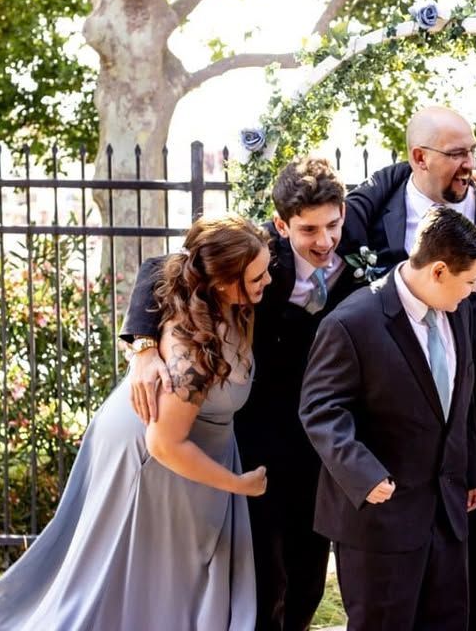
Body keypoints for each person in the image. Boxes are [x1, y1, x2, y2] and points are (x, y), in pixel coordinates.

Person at [0, 213, 270, 630]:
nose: (268, 281)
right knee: (131, 585)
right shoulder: (192, 350)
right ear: (224, 281)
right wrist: (238, 484)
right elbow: (164, 444)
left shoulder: (223, 294)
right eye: (258, 276)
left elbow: (163, 263)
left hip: (189, 450)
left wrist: (144, 343)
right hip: (155, 458)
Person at [121, 157, 356, 631]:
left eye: (333, 225)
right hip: (254, 441)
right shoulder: (256, 258)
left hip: (321, 447)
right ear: (281, 225)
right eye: (308, 229)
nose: (324, 241)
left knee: (309, 579)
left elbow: (407, 176)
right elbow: (160, 268)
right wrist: (144, 347)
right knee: (261, 579)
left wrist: (472, 174)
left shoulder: (360, 251)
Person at [340, 105, 476, 630]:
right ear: (418, 159)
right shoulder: (376, 209)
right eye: (456, 154)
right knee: (396, 579)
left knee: (467, 575)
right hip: (392, 426)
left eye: (474, 152)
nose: (470, 165)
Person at [298, 207, 476, 631]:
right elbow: (321, 410)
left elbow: (459, 398)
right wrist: (365, 475)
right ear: (439, 271)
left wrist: (469, 468)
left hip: (447, 513)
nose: (474, 290)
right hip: (380, 521)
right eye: (470, 279)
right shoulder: (351, 323)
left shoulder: (458, 309)